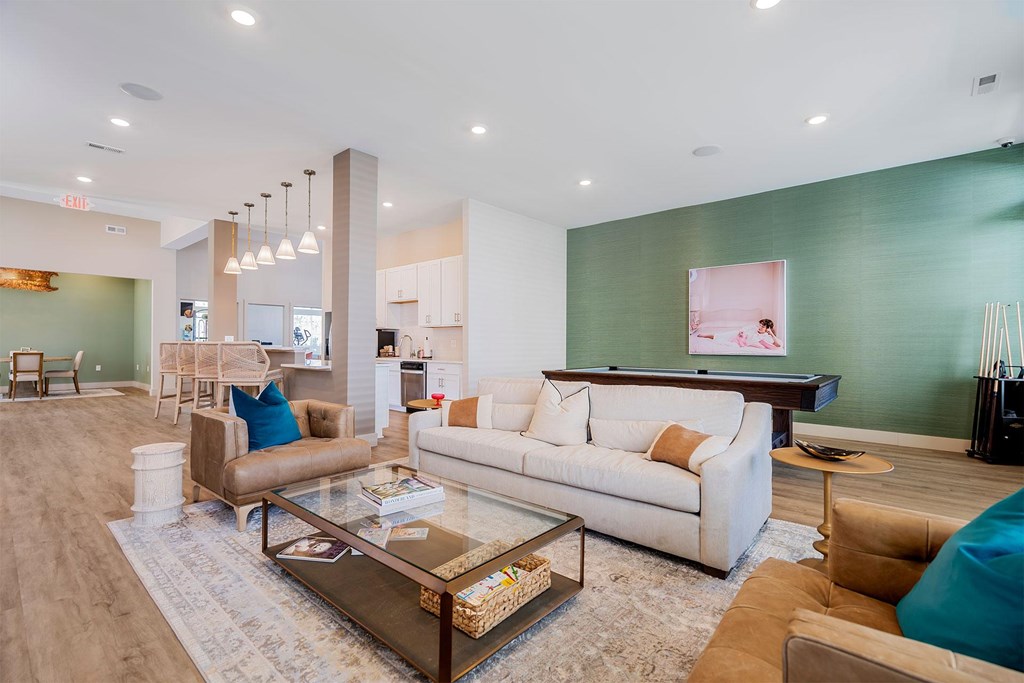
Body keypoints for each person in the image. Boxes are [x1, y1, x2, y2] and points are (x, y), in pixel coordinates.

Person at [699, 318, 781, 349]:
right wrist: (741, 333)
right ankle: (707, 335)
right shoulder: (753, 327)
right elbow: (743, 330)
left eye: (762, 326)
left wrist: (771, 334)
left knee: (728, 343)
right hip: (738, 336)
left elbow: (778, 345)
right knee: (724, 335)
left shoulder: (766, 336)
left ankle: (712, 339)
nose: (760, 327)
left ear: (767, 329)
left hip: (741, 343)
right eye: (760, 325)